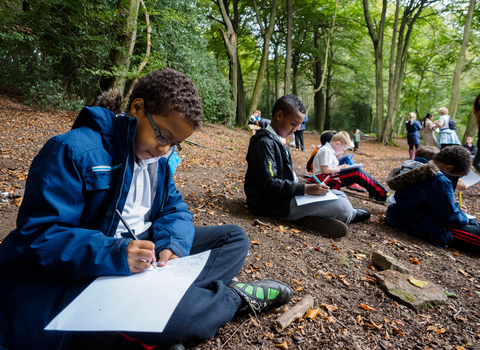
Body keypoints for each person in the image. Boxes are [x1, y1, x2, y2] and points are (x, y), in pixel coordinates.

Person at [0, 69, 292, 350]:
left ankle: (164, 306)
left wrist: (173, 244)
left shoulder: (157, 160)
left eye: (175, 144)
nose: (165, 149)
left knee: (233, 239)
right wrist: (116, 253)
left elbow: (174, 208)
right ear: (137, 108)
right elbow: (40, 235)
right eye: (163, 137)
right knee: (182, 318)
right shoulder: (72, 150)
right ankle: (231, 299)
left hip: (145, 259)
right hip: (87, 273)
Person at [244, 94, 371, 239]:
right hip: (270, 203)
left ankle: (307, 217)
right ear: (279, 115)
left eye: (298, 125)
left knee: (339, 194)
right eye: (293, 124)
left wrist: (305, 188)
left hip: (285, 196)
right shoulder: (264, 143)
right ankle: (346, 213)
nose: (296, 129)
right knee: (344, 208)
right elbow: (269, 183)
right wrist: (305, 188)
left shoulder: (277, 139)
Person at [386, 146, 480, 254]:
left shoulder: (414, 166)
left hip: (404, 217)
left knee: (473, 222)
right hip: (422, 225)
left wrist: (457, 209)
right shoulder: (439, 180)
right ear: (449, 168)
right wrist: (462, 215)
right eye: (457, 176)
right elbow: (449, 219)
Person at [312, 131, 389, 201]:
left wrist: (343, 167)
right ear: (337, 143)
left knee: (356, 171)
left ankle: (377, 191)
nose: (342, 153)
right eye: (343, 150)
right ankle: (382, 193)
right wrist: (339, 168)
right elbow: (325, 170)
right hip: (324, 180)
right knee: (357, 173)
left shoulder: (328, 150)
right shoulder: (326, 150)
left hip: (327, 178)